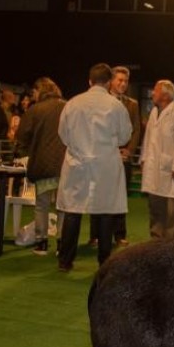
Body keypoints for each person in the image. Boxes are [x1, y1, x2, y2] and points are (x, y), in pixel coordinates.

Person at [56, 63, 132, 271]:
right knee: (105, 210)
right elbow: (125, 135)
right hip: (105, 163)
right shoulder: (116, 106)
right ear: (108, 83)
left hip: (77, 163)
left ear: (89, 81)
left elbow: (63, 134)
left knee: (73, 211)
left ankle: (65, 260)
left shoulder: (72, 103)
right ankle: (104, 260)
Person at [89, 66, 141, 248]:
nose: (123, 84)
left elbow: (136, 130)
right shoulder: (99, 101)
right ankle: (94, 235)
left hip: (123, 158)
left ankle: (119, 235)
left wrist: (128, 151)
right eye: (119, 80)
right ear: (110, 81)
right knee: (97, 195)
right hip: (101, 157)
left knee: (120, 197)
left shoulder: (132, 104)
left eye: (126, 81)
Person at [15, 77, 67, 256]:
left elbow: (22, 135)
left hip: (43, 165)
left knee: (42, 205)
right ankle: (62, 244)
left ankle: (41, 243)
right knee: (63, 206)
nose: (33, 95)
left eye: (34, 92)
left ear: (40, 90)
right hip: (65, 165)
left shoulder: (35, 110)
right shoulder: (67, 107)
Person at [139, 79, 174, 239]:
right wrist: (143, 159)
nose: (152, 94)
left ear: (164, 95)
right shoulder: (154, 112)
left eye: (155, 91)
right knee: (155, 208)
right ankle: (156, 241)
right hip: (153, 168)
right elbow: (148, 138)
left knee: (172, 212)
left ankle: (171, 245)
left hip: (172, 172)